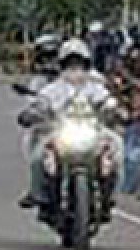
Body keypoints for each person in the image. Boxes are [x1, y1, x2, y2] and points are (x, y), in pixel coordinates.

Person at [16, 38, 117, 208]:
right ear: (62, 65)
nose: (74, 67)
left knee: (117, 149)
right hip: (60, 131)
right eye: (70, 62)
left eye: (79, 62)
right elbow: (41, 103)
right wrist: (32, 113)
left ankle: (110, 194)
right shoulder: (54, 88)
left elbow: (107, 101)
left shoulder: (94, 85)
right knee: (39, 155)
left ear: (86, 63)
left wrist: (116, 109)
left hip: (92, 131)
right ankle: (38, 193)